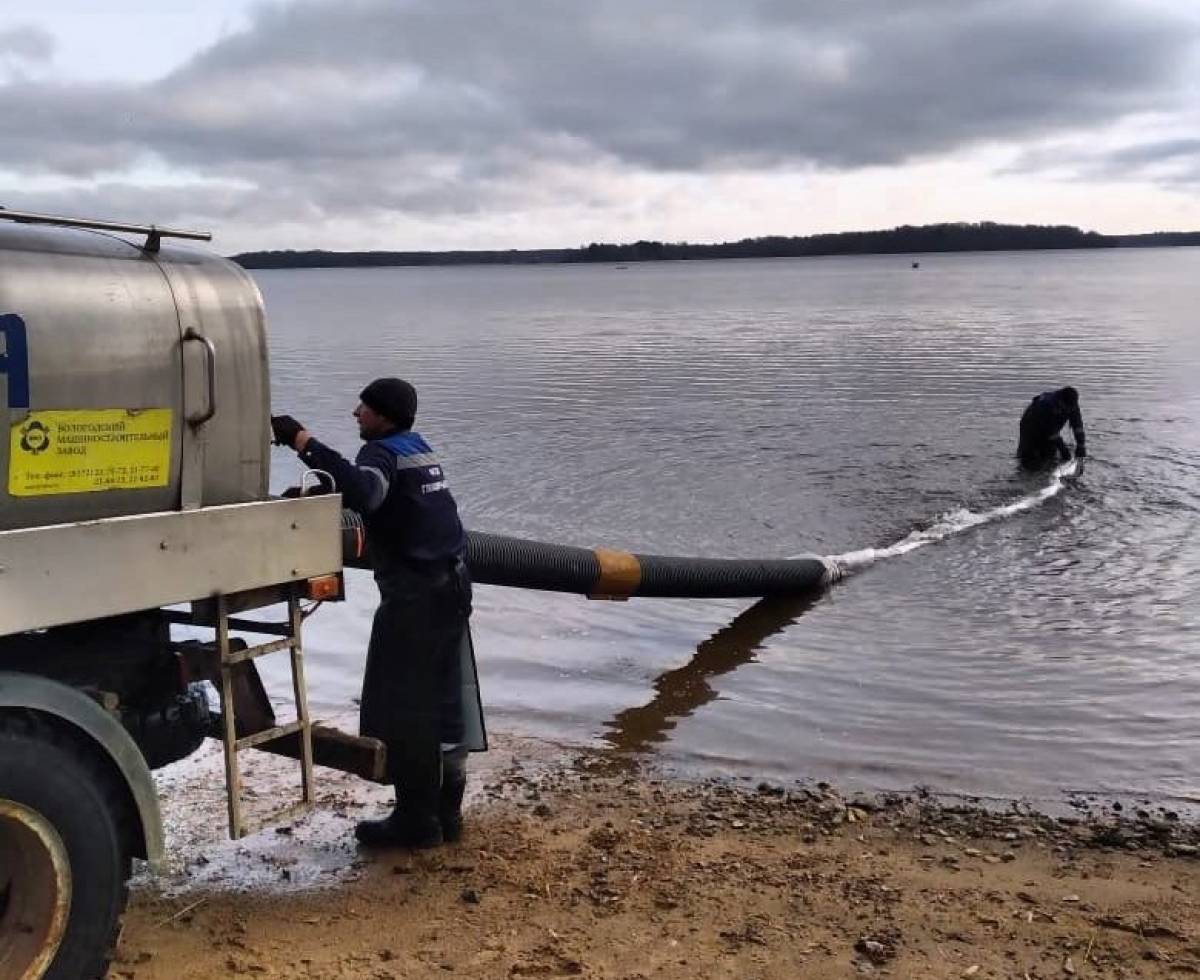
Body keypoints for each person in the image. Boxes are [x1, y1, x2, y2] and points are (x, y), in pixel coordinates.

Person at [271, 378, 472, 849]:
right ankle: (448, 815)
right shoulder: (416, 447)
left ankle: (416, 823)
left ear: (384, 415)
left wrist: (303, 442)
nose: (356, 412)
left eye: (364, 406)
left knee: (407, 709)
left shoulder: (380, 453)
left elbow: (366, 494)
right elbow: (395, 504)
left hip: (416, 599)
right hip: (453, 588)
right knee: (442, 701)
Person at [1017, 386, 1087, 470]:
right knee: (1027, 457)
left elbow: (1077, 425)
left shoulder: (1072, 403)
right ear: (1061, 401)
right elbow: (1050, 431)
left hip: (1051, 427)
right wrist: (1063, 449)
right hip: (1030, 426)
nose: (1069, 411)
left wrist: (1081, 444)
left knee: (1050, 455)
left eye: (1071, 408)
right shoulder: (1045, 404)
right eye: (1067, 408)